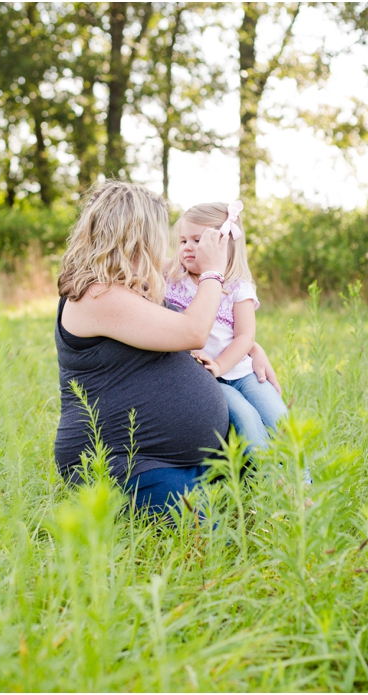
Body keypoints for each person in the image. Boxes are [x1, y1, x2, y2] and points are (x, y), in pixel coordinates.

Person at [53, 181, 280, 514]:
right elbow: (192, 331)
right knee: (212, 532)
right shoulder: (96, 293)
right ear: (134, 236)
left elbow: (202, 324)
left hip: (180, 456)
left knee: (250, 499)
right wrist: (213, 273)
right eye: (157, 235)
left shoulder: (135, 280)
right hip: (127, 462)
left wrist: (249, 345)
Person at [163, 201, 302, 482]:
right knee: (247, 421)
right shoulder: (173, 279)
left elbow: (245, 337)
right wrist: (214, 371)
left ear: (224, 245)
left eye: (198, 240)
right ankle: (273, 484)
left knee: (278, 417)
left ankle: (302, 484)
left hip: (241, 372)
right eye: (183, 240)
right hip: (209, 380)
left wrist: (221, 365)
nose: (187, 247)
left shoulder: (238, 288)